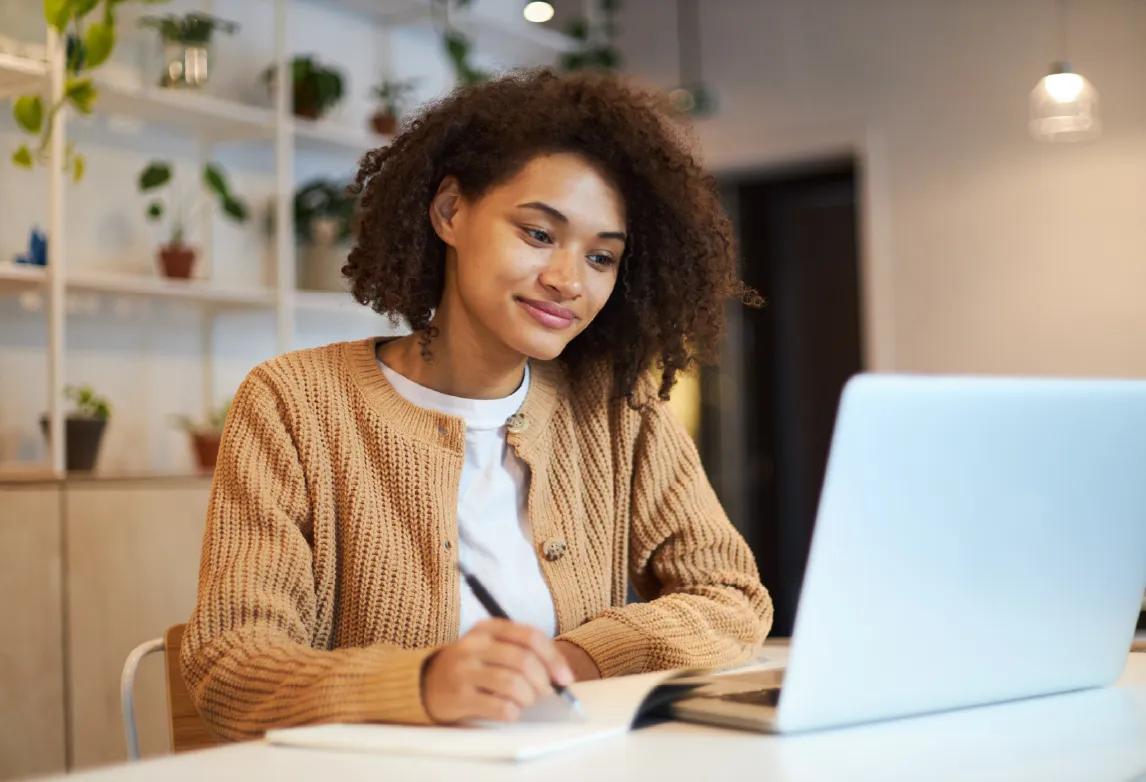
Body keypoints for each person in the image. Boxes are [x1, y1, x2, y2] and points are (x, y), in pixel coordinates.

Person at [181, 68, 773, 740]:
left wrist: (580, 657)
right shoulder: (296, 403)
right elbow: (229, 667)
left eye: (602, 257)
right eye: (539, 235)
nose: (567, 281)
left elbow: (731, 598)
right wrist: (423, 684)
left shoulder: (616, 406)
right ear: (450, 213)